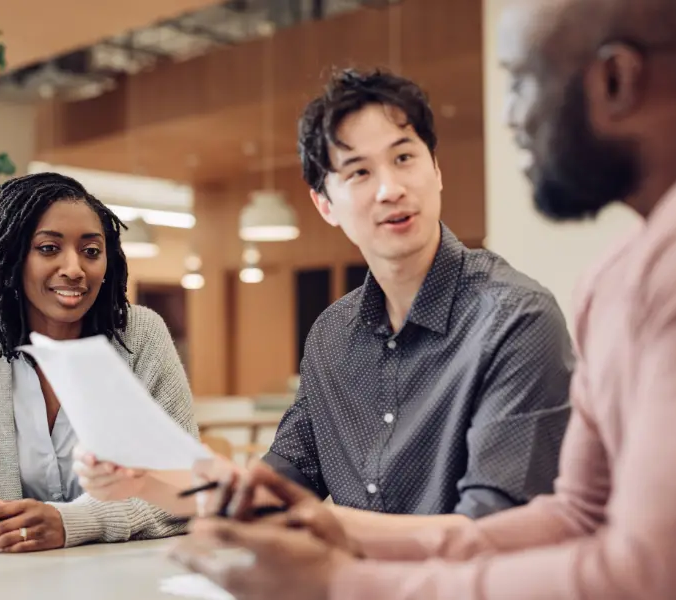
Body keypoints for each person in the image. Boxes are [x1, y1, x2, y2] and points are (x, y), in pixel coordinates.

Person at [169, 0, 676, 598]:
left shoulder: (550, 305)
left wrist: (343, 583)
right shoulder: (612, 280)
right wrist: (330, 526)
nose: (511, 118)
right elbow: (573, 517)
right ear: (325, 202)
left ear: (615, 80)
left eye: (521, 81)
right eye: (358, 172)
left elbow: (650, 574)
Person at [76, 68, 573, 534]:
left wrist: (319, 525)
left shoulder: (516, 318)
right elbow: (276, 492)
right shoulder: (333, 334)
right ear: (325, 204)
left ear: (436, 169)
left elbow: (492, 531)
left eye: (404, 157)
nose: (390, 189)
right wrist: (144, 481)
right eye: (358, 172)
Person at [0, 172, 198, 552]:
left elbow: (189, 489)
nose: (74, 268)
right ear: (16, 257)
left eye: (91, 251)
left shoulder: (141, 337)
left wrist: (72, 522)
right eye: (49, 248)